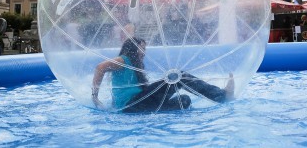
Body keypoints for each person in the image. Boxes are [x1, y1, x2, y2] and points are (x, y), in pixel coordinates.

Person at [91, 37, 235, 113]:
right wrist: (95, 96)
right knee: (179, 77)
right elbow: (99, 68)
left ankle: (220, 96)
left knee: (184, 101)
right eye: (142, 48)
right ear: (133, 48)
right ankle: (221, 96)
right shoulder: (123, 60)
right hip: (131, 104)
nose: (144, 51)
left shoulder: (136, 65)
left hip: (138, 106)